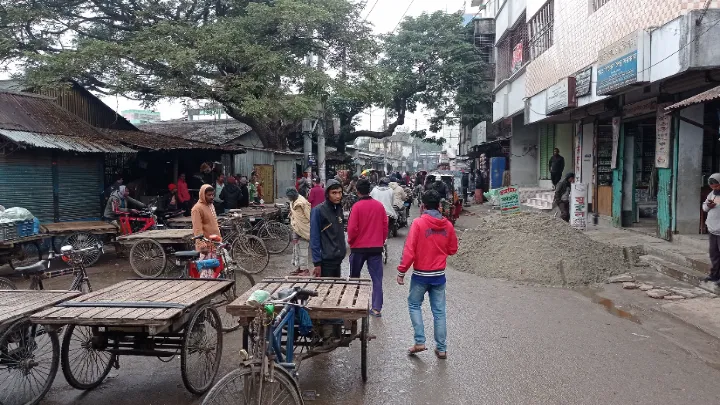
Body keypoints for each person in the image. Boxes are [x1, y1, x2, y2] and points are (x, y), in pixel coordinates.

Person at [397, 190, 458, 360]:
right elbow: (453, 250)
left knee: (414, 304)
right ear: (439, 206)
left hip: (420, 276)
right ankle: (442, 348)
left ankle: (420, 341)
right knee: (439, 312)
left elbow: (409, 251)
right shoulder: (448, 226)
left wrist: (401, 272)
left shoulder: (418, 223)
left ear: (423, 206)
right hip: (439, 277)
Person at [347, 179, 388, 317]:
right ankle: (376, 308)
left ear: (357, 191)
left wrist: (351, 242)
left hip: (358, 248)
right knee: (377, 279)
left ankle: (354, 304)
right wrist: (380, 241)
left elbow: (352, 229)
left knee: (354, 277)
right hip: (375, 248)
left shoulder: (356, 207)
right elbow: (384, 227)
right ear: (369, 190)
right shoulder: (379, 206)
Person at [310, 179, 346, 277]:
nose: (338, 196)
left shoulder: (338, 209)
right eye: (334, 193)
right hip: (326, 262)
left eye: (340, 192)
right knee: (325, 290)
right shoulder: (318, 211)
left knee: (336, 289)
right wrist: (317, 263)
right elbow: (314, 237)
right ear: (327, 194)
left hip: (337, 259)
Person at [287, 188, 312, 276]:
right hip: (296, 229)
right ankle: (299, 268)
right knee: (296, 249)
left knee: (303, 249)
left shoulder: (303, 202)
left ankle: (305, 270)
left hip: (304, 229)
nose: (289, 199)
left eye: (290, 197)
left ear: (294, 195)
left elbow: (309, 216)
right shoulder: (293, 202)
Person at [191, 184, 222, 253]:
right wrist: (201, 244)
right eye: (209, 195)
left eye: (213, 195)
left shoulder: (211, 205)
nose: (211, 197)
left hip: (215, 243)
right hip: (206, 247)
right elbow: (197, 228)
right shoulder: (197, 209)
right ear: (203, 195)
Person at [702, 173, 720, 282]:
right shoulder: (712, 194)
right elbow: (704, 207)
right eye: (712, 187)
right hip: (713, 229)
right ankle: (714, 275)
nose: (715, 189)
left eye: (717, 186)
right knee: (714, 254)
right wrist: (708, 206)